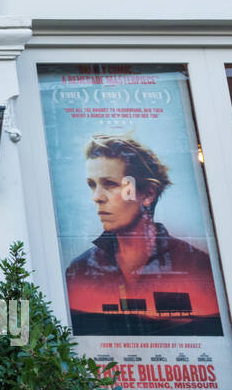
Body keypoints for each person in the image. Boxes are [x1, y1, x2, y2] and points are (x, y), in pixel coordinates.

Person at [65, 134, 218, 329]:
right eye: (92, 185)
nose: (96, 197)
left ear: (147, 194)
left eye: (110, 184)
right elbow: (26, 332)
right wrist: (19, 338)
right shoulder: (81, 269)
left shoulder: (195, 265)